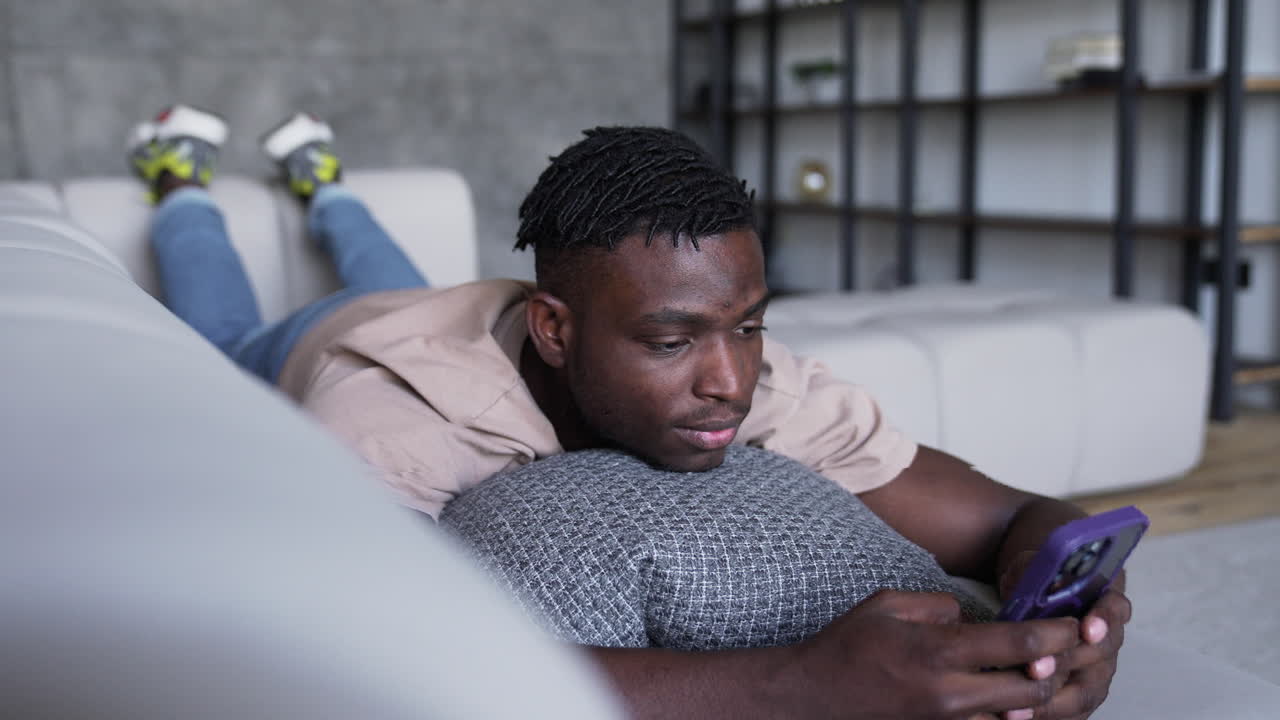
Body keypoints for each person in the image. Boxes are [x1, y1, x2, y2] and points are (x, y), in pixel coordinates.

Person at [131, 107, 1128, 720]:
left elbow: (1014, 519)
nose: (729, 382)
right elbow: (371, 665)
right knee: (220, 322)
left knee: (405, 272)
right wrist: (800, 688)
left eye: (746, 326)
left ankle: (326, 186)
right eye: (670, 342)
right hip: (326, 337)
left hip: (454, 306)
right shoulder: (389, 422)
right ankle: (178, 180)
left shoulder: (744, 369)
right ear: (555, 333)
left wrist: (1076, 617)